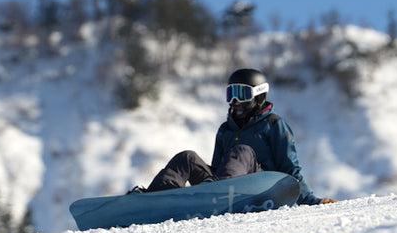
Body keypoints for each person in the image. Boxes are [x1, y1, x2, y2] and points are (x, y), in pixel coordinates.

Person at [136, 68, 336, 205]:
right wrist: (208, 184)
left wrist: (312, 201)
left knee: (243, 151)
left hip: (260, 188)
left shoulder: (274, 124)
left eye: (241, 93)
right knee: (187, 157)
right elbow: (218, 169)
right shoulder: (225, 129)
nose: (235, 101)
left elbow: (291, 169)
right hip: (221, 187)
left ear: (258, 96)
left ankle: (211, 193)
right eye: (230, 93)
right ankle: (153, 200)